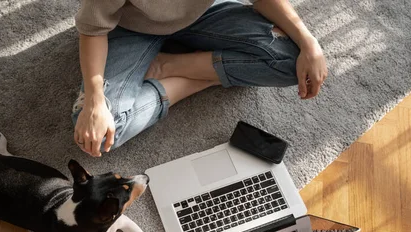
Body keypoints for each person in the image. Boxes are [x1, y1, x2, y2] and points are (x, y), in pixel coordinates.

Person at [72, 0, 328, 157]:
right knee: (99, 132)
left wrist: (309, 43)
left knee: (293, 60)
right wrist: (95, 100)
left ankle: (168, 65)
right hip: (131, 29)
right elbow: (93, 29)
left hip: (202, 15)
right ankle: (205, 77)